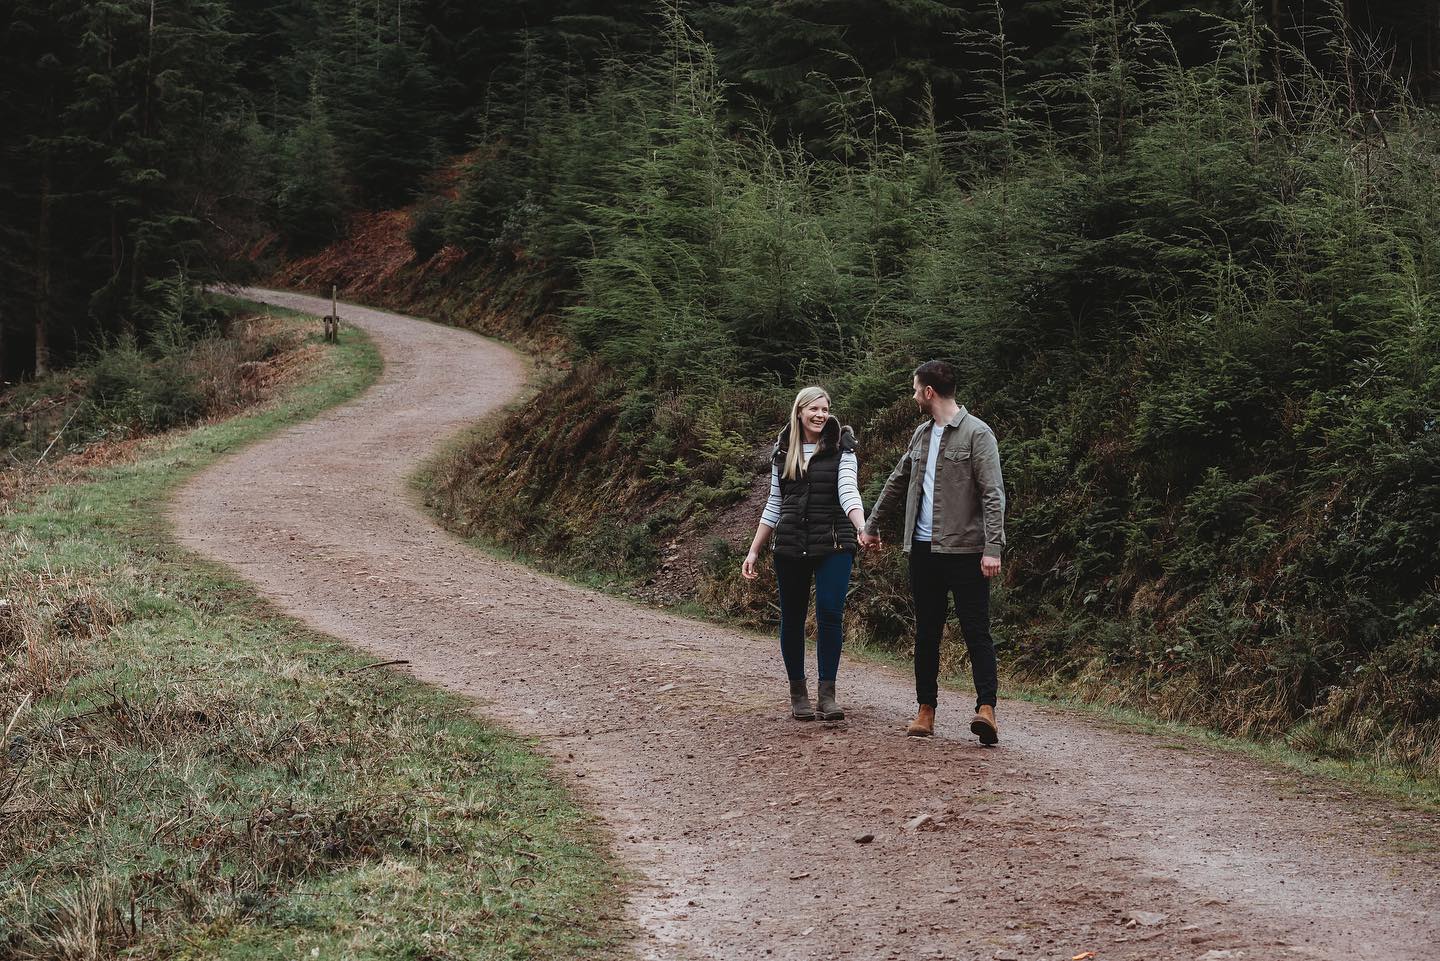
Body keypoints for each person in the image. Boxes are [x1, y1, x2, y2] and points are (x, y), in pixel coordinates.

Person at [858, 360, 1006, 742]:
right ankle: (926, 710)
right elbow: (897, 481)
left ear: (929, 392)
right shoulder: (921, 435)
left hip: (966, 551)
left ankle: (986, 709)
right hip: (923, 550)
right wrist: (872, 525)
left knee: (976, 630)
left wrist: (993, 547)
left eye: (914, 389)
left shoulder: (978, 434)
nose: (912, 396)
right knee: (926, 632)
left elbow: (993, 494)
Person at [742, 386, 866, 721]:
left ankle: (827, 695)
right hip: (791, 544)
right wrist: (754, 550)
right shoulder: (783, 451)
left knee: (830, 613)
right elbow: (774, 503)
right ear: (799, 411)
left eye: (825, 409)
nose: (820, 415)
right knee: (793, 618)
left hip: (834, 542)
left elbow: (848, 491)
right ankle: (798, 693)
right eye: (814, 409)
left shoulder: (843, 447)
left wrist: (861, 526)